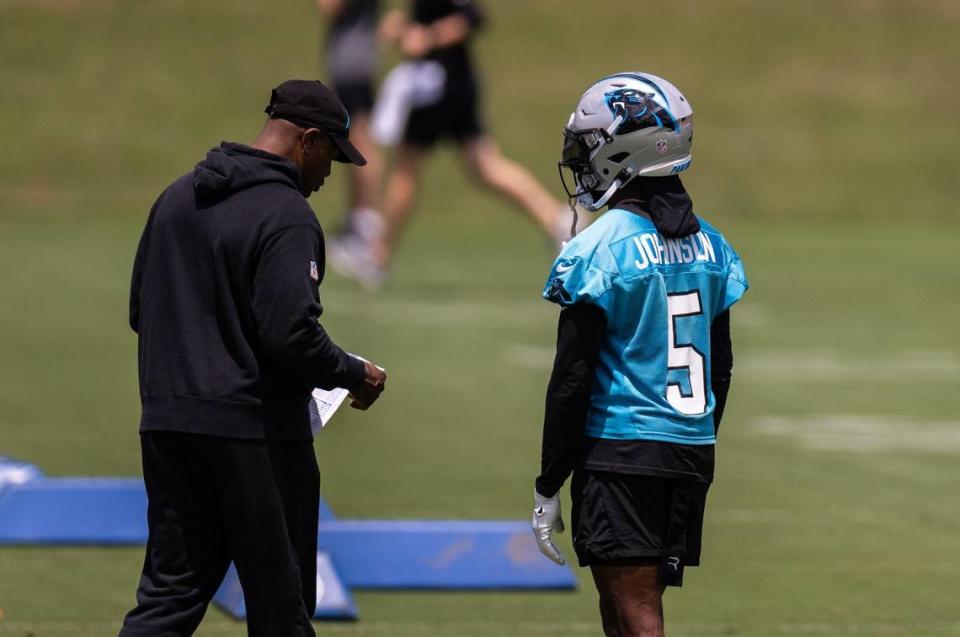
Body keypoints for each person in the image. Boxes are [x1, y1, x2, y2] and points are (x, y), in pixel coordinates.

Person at [120, 80, 386, 637]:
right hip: (256, 440)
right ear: (307, 141)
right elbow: (290, 336)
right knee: (280, 606)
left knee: (169, 596)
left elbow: (142, 310)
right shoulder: (286, 214)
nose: (329, 174)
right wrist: (353, 374)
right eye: (331, 156)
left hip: (168, 424)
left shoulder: (176, 197)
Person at [531, 72, 748, 637]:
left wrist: (549, 479)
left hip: (622, 451)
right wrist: (695, 438)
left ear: (623, 149)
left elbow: (570, 380)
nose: (582, 160)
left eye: (590, 146)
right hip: (689, 447)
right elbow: (719, 366)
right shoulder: (714, 245)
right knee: (626, 607)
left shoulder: (601, 248)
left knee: (636, 610)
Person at [329, 0, 570, 288]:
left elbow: (470, 17)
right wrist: (405, 28)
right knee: (485, 167)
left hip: (439, 84)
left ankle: (376, 255)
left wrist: (426, 37)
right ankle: (556, 219)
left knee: (406, 168)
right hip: (450, 82)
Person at [316, 0, 385, 245]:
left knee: (359, 140)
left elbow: (330, 6)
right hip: (359, 62)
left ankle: (367, 221)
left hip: (352, 64)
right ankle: (360, 218)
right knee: (355, 137)